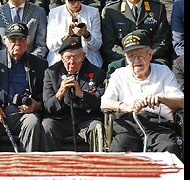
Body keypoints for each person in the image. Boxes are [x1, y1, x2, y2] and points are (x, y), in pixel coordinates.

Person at [100, 29, 184, 158]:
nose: (136, 60)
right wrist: (127, 107)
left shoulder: (163, 71)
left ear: (150, 54)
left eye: (140, 55)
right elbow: (105, 102)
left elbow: (181, 101)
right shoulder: (119, 74)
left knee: (169, 148)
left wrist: (162, 99)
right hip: (128, 126)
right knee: (119, 150)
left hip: (159, 126)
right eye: (131, 57)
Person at [0, 22, 48, 152]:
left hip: (24, 114)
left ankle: (27, 168)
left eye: (21, 39)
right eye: (13, 39)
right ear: (4, 40)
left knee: (32, 122)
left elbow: (44, 94)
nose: (17, 43)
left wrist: (36, 105)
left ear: (28, 41)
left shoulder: (39, 64)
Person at [41, 36, 105, 151]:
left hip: (86, 118)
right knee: (47, 125)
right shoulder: (51, 73)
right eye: (67, 58)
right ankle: (52, 165)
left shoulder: (96, 72)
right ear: (61, 57)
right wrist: (60, 92)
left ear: (84, 56)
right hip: (61, 119)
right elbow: (47, 107)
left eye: (76, 57)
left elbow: (99, 102)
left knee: (97, 127)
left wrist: (81, 94)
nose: (72, 62)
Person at [101, 0, 173, 68]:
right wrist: (130, 58)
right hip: (122, 60)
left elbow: (162, 41)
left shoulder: (158, 8)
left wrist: (146, 57)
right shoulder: (111, 11)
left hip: (153, 59)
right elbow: (110, 45)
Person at [46, 0, 103, 68]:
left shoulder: (93, 12)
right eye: (71, 1)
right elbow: (51, 46)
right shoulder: (54, 13)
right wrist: (65, 37)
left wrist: (87, 35)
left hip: (88, 60)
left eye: (79, 0)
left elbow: (97, 46)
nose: (76, 4)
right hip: (60, 61)